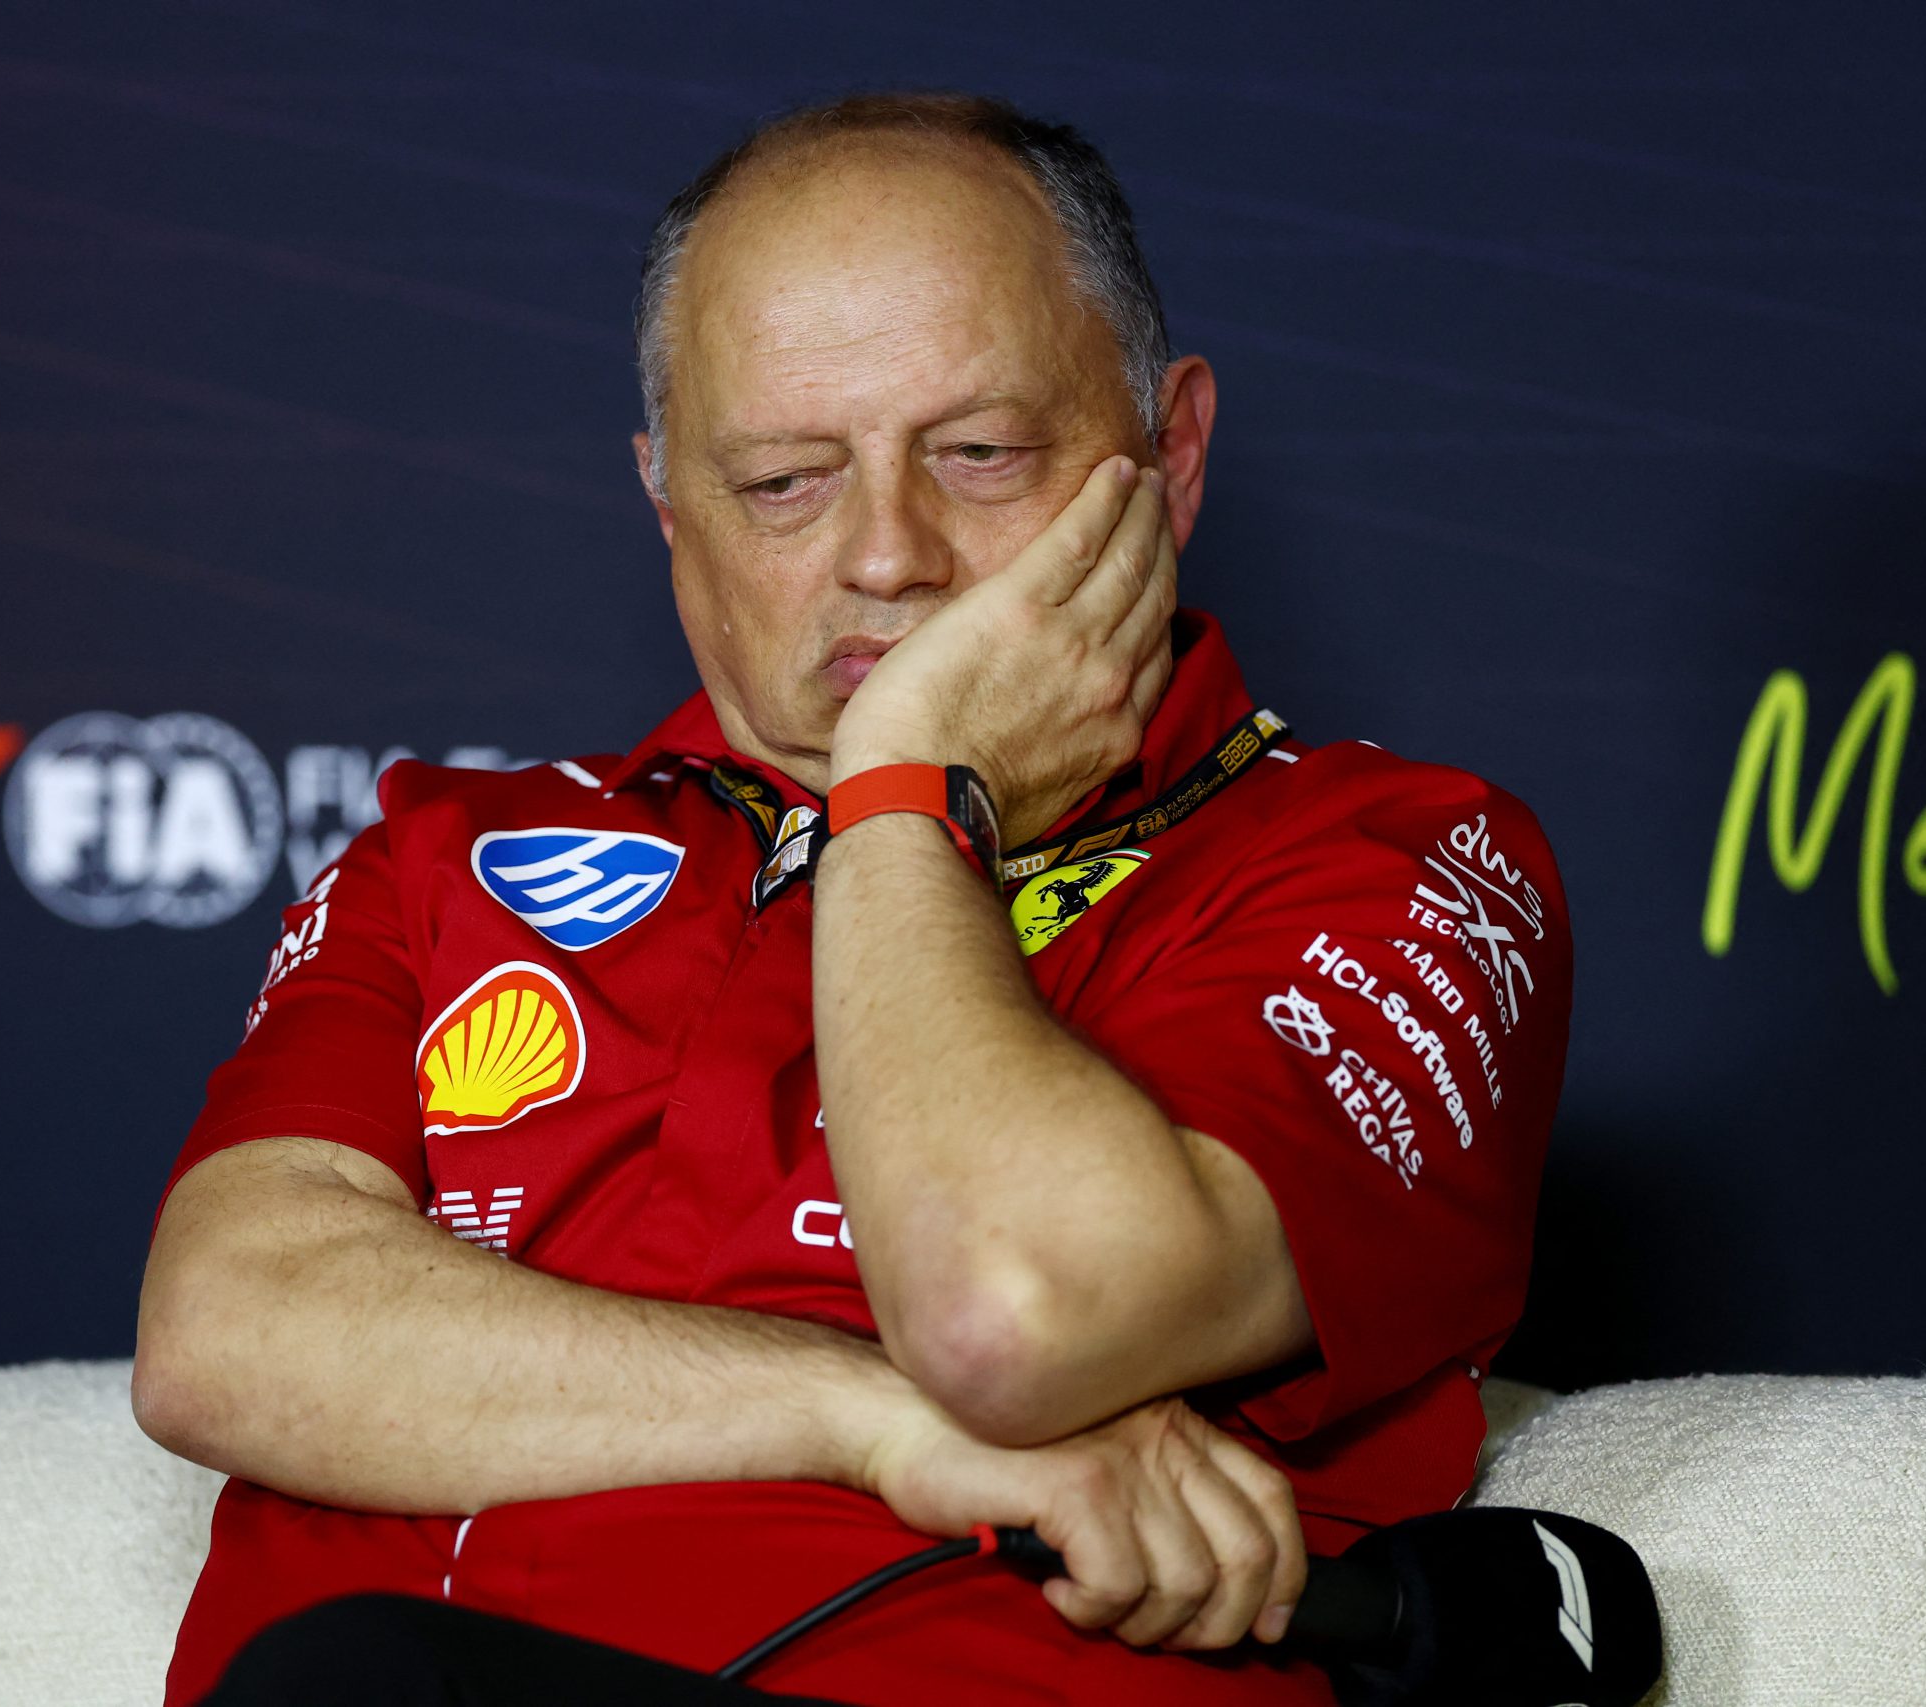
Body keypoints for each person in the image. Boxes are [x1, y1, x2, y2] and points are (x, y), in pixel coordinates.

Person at [132, 91, 1571, 1707]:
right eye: (781, 482)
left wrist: (907, 790)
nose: (890, 555)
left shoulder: (1387, 859)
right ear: (669, 510)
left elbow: (1014, 1315)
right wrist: (870, 1421)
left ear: (1169, 458)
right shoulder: (447, 850)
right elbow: (225, 1331)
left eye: (981, 454)